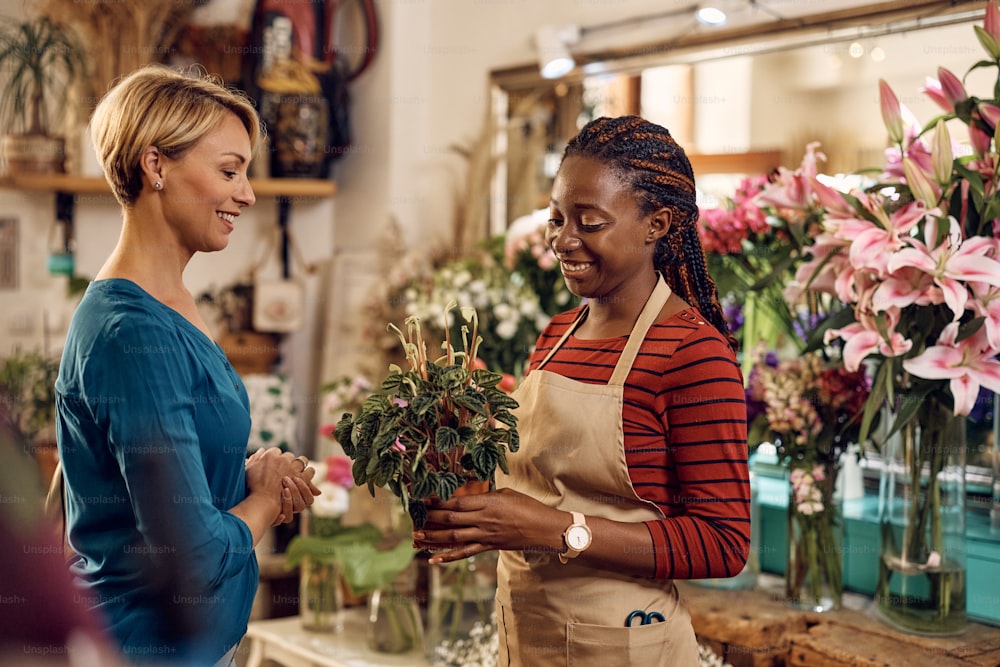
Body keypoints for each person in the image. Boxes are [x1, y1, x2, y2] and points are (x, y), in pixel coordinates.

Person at [414, 115, 751, 666]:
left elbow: (723, 542)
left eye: (589, 222)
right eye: (556, 218)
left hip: (624, 643)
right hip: (526, 636)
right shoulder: (556, 334)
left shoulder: (692, 354)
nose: (562, 240)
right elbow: (542, 479)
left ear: (657, 224)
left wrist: (555, 530)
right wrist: (468, 509)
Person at [55, 65, 321, 666]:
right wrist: (266, 497)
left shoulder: (171, 304)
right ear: (156, 166)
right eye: (229, 170)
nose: (247, 193)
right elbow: (192, 560)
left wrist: (244, 471)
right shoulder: (130, 333)